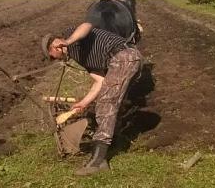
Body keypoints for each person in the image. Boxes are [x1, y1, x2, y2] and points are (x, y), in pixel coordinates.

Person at [42, 22, 142, 176]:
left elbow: (87, 25)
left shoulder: (70, 33)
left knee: (106, 103)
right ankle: (115, 140)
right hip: (124, 60)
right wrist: (82, 103)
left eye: (51, 56)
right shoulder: (81, 58)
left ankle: (97, 161)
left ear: (55, 46)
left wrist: (67, 41)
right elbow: (99, 81)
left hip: (124, 56)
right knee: (111, 101)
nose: (54, 59)